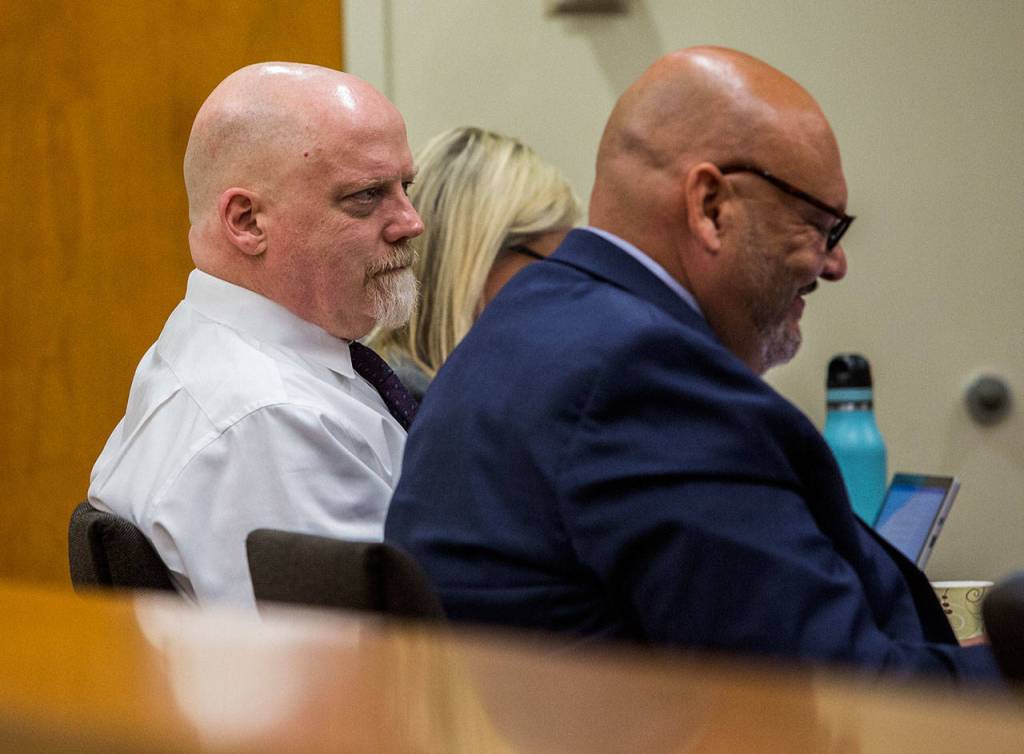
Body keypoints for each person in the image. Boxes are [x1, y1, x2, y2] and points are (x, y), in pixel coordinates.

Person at [385, 47, 1002, 680]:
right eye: (820, 226)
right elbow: (836, 699)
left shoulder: (523, 330)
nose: (834, 263)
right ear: (710, 206)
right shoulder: (643, 376)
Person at [89, 62, 424, 607]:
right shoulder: (270, 417)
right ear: (245, 221)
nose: (410, 221)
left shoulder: (231, 349)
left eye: (405, 187)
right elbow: (358, 668)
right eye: (366, 196)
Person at [368, 126, 580, 399]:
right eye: (552, 266)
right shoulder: (420, 412)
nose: (564, 291)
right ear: (481, 259)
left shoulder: (394, 386)